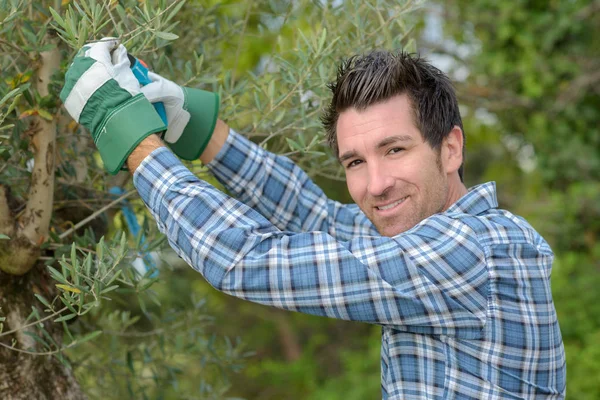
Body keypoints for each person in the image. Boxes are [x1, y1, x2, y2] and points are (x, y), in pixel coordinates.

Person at [60, 38, 566, 399]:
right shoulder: (440, 234)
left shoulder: (469, 252)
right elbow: (314, 215)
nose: (376, 183)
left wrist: (127, 131)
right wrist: (191, 126)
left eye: (394, 149)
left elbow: (244, 259)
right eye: (355, 162)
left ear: (450, 148)